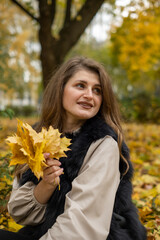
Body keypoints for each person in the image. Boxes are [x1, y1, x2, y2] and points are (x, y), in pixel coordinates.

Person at [0, 56, 146, 240]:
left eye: (97, 90)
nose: (89, 95)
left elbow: (80, 227)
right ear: (60, 89)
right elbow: (20, 214)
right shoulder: (37, 139)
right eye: (80, 86)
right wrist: (46, 184)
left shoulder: (103, 143)